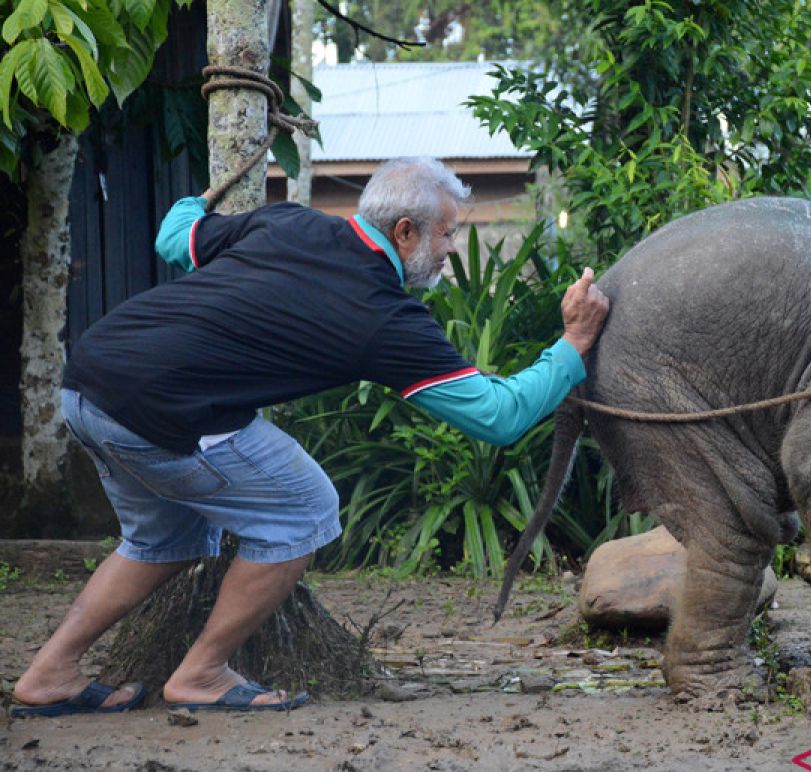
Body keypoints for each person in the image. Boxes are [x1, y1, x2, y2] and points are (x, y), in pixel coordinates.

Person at [11, 157, 610, 716]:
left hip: (87, 382)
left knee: (162, 539)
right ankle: (203, 672)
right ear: (405, 232)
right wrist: (573, 344)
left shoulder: (287, 221)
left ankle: (50, 675)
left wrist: (195, 202)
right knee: (305, 509)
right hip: (161, 413)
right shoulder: (385, 318)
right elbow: (499, 416)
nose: (451, 250)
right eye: (446, 235)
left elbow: (176, 238)